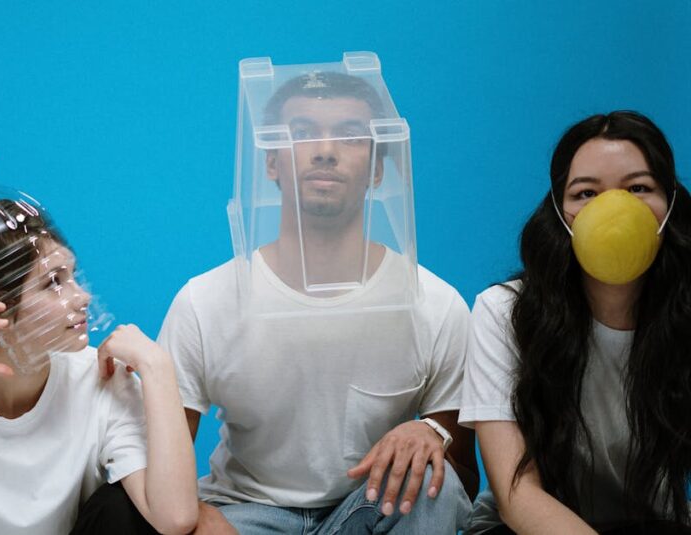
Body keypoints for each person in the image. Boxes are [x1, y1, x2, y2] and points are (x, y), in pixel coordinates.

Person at [158, 65, 477, 534]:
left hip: (369, 507)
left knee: (434, 480)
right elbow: (157, 464)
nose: (325, 152)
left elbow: (463, 482)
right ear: (271, 163)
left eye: (350, 136)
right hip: (245, 515)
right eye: (302, 134)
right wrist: (201, 518)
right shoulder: (205, 302)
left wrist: (428, 432)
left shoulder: (436, 305)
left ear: (377, 169)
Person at [0, 196, 198, 534]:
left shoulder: (102, 378)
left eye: (73, 276)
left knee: (123, 510)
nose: (82, 297)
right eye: (53, 282)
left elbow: (175, 518)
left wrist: (158, 368)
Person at [460, 111, 691, 534]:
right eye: (585, 193)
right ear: (559, 212)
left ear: (670, 204)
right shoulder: (502, 312)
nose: (613, 208)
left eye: (638, 188)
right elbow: (517, 497)